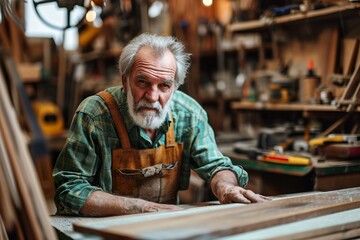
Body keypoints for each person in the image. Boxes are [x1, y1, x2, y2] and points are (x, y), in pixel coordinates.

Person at [53, 33, 270, 217]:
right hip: (105, 230)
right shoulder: (94, 115)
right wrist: (136, 207)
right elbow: (69, 190)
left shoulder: (189, 115)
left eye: (164, 85)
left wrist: (225, 186)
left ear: (174, 87)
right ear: (125, 81)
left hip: (164, 228)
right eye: (142, 82)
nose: (152, 96)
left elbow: (216, 166)